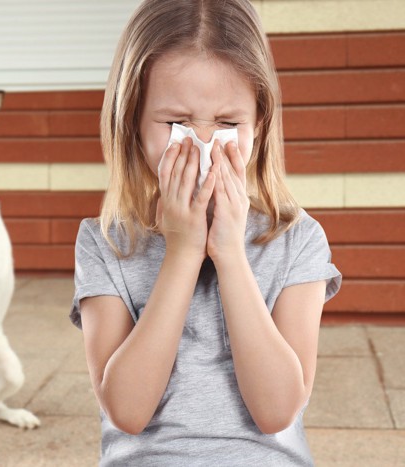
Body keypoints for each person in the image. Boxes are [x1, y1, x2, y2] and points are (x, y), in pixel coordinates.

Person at [69, 0, 342, 465]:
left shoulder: (297, 239)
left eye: (227, 124)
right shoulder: (106, 243)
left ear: (260, 124)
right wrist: (182, 252)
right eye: (176, 122)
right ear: (132, 120)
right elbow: (128, 412)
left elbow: (277, 411)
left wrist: (231, 255)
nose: (200, 142)